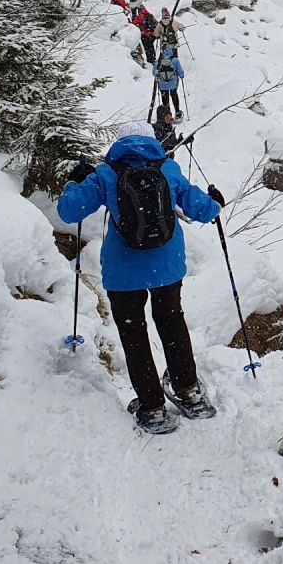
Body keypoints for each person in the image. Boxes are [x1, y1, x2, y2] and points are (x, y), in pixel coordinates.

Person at [59, 122, 225, 434]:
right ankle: (189, 393)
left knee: (133, 333)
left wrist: (74, 182)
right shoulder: (169, 169)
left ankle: (152, 409)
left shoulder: (106, 174)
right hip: (167, 266)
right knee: (172, 321)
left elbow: (69, 211)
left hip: (123, 271)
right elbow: (204, 210)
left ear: (119, 144)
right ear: (152, 142)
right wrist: (215, 199)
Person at [154, 42, 185, 120]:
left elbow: (154, 71)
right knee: (174, 96)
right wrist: (181, 76)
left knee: (165, 100)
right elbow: (181, 73)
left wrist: (157, 73)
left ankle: (168, 116)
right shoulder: (175, 60)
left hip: (162, 84)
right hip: (173, 83)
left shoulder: (158, 61)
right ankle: (177, 113)